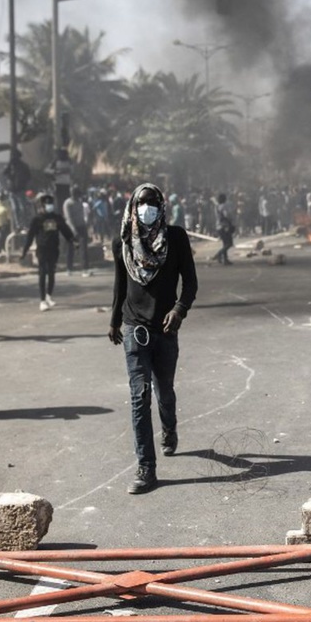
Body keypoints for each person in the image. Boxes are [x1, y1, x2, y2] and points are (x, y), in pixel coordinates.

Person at [109, 183, 197, 494]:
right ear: (133, 207)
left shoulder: (175, 237)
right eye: (143, 203)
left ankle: (169, 429)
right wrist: (114, 321)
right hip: (135, 329)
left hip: (166, 329)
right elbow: (120, 284)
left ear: (162, 206)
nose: (148, 209)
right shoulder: (122, 241)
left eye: (153, 203)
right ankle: (146, 467)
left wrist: (179, 309)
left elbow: (190, 282)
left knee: (165, 390)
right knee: (139, 396)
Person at [20, 194, 75, 311]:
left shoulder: (57, 218)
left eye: (51, 204)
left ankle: (49, 296)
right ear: (42, 206)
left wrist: (73, 241)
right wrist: (24, 251)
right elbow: (30, 236)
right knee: (42, 273)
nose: (49, 206)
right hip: (42, 249)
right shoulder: (37, 219)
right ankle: (42, 301)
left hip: (54, 249)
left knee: (51, 272)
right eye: (47, 204)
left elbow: (65, 230)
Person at [62, 187, 90, 276]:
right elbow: (68, 217)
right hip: (71, 228)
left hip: (81, 227)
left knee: (83, 248)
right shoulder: (67, 203)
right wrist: (73, 230)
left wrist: (85, 225)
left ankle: (84, 269)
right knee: (70, 248)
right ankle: (69, 268)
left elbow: (82, 215)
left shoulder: (79, 201)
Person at [211, 193, 235, 265]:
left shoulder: (217, 206)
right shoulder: (223, 206)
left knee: (225, 243)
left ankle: (224, 259)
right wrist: (231, 221)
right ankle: (219, 254)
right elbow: (226, 215)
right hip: (225, 226)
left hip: (219, 226)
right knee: (229, 243)